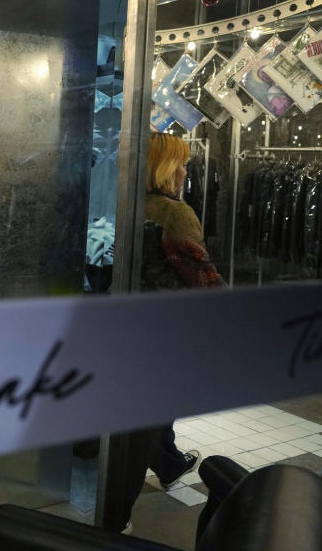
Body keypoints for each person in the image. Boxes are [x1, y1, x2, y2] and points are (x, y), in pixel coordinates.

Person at [110, 132, 225, 533]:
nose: (184, 170)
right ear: (162, 168)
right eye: (180, 162)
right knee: (143, 421)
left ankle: (170, 463)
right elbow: (202, 275)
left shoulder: (128, 205)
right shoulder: (177, 214)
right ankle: (117, 514)